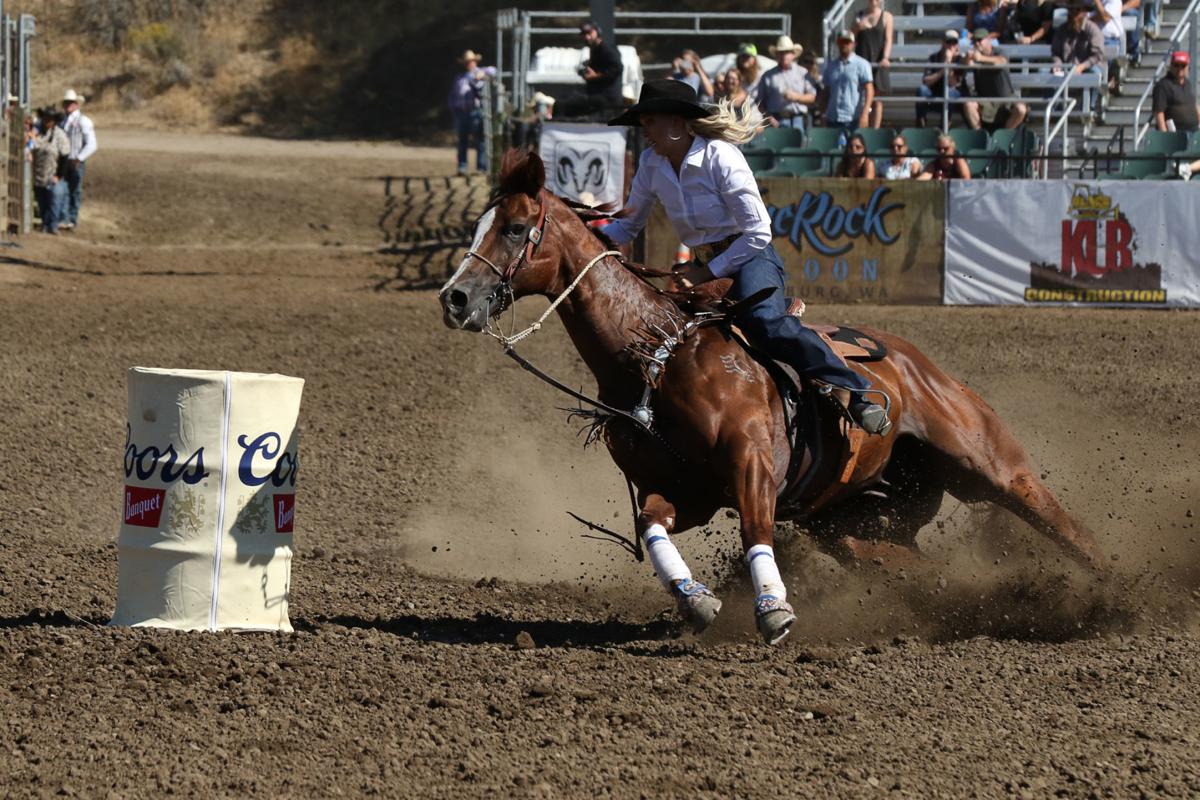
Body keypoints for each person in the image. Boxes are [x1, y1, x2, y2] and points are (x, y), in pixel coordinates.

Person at [602, 79, 892, 436]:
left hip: (750, 256)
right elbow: (628, 224)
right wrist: (590, 237)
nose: (644, 131)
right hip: (702, 265)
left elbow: (758, 233)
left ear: (677, 123)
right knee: (661, 329)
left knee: (766, 323)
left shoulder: (720, 156)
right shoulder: (651, 163)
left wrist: (705, 271)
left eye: (649, 122)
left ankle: (858, 389)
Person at [556, 20, 624, 118]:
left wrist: (595, 76)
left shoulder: (606, 48)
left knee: (561, 105)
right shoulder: (594, 49)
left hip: (606, 99)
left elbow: (618, 69)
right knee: (564, 101)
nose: (587, 37)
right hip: (596, 97)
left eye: (589, 33)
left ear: (597, 32)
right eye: (584, 34)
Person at [968, 29, 1029, 129]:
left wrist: (981, 58)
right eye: (974, 41)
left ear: (988, 40)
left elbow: (1002, 61)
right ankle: (980, 135)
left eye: (979, 40)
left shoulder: (999, 51)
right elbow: (960, 63)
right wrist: (967, 59)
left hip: (1006, 98)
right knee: (969, 105)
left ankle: (1004, 135)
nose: (977, 43)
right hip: (984, 99)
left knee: (1021, 109)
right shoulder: (973, 55)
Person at [919, 30, 980, 129]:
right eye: (948, 42)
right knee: (922, 90)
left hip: (955, 98)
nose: (951, 45)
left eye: (954, 42)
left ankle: (944, 126)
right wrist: (943, 69)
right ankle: (920, 126)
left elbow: (952, 83)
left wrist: (949, 62)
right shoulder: (933, 58)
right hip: (937, 94)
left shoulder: (960, 60)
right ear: (943, 43)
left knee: (950, 92)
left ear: (957, 44)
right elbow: (926, 81)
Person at [447, 49, 494, 175]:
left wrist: (482, 74)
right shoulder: (459, 77)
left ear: (475, 61)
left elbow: (494, 71)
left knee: (480, 141)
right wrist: (453, 108)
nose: (469, 63)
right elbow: (452, 94)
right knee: (462, 141)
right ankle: (462, 167)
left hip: (476, 111)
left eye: (471, 61)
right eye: (467, 62)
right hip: (461, 113)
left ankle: (481, 167)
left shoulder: (481, 72)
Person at [757, 35, 818, 131]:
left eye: (787, 52)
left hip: (798, 119)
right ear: (776, 55)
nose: (784, 55)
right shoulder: (768, 76)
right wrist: (768, 118)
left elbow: (812, 97)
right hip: (775, 120)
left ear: (793, 54)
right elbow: (760, 103)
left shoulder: (803, 73)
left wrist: (797, 97)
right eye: (781, 53)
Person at [821, 29, 875, 135]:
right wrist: (823, 113)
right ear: (838, 44)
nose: (844, 45)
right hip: (833, 117)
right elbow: (826, 91)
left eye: (847, 42)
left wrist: (865, 113)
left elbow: (869, 89)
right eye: (841, 42)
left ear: (854, 44)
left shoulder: (862, 64)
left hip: (853, 118)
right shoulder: (831, 66)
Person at [59, 89, 97, 232]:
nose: (68, 105)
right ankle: (64, 218)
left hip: (75, 161)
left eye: (71, 102)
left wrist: (79, 158)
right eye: (66, 102)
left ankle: (72, 219)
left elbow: (92, 144)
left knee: (75, 190)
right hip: (64, 161)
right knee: (64, 189)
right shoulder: (63, 121)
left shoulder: (83, 121)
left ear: (76, 104)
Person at [853, 0, 894, 129]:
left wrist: (885, 57)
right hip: (862, 60)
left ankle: (875, 131)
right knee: (860, 97)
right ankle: (860, 128)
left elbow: (888, 39)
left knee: (877, 100)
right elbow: (851, 37)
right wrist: (857, 28)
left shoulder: (887, 16)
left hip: (878, 62)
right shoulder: (859, 15)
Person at [28, 107, 69, 234]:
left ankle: (53, 225)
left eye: (50, 119)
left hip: (52, 173)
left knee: (54, 201)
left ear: (54, 121)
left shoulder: (60, 135)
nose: (47, 121)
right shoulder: (38, 133)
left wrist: (59, 175)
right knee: (42, 201)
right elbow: (31, 147)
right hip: (39, 174)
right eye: (45, 118)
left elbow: (64, 156)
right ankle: (45, 224)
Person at [1052, 0, 1105, 76]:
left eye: (1078, 10)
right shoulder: (1061, 30)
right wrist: (1057, 65)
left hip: (1089, 67)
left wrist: (1082, 67)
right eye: (1071, 9)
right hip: (1066, 67)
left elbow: (1097, 55)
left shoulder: (1092, 29)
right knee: (1043, 72)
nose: (1074, 13)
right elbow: (1056, 53)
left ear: (1084, 12)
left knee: (1095, 73)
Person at [1153, 51, 1199, 133]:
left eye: (1183, 66)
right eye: (1176, 65)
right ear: (1171, 66)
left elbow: (1194, 105)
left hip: (1193, 130)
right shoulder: (1163, 85)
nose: (1180, 69)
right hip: (1176, 134)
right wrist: (1165, 136)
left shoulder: (1187, 84)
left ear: (1188, 67)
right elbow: (1159, 112)